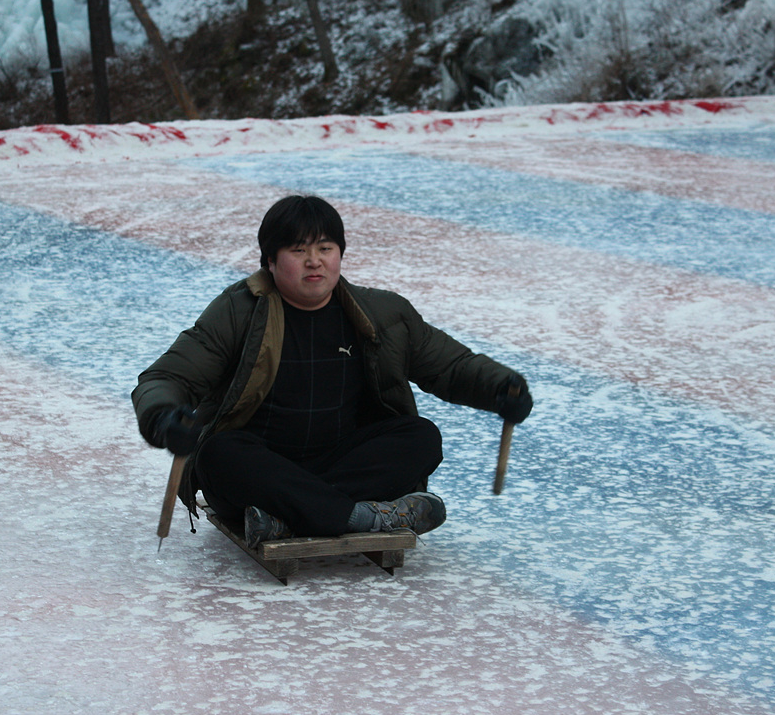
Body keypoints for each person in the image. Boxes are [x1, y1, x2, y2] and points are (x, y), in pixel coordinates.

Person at [133, 195, 532, 548]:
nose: (315, 261)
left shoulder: (381, 313)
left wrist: (500, 387)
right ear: (270, 260)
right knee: (218, 455)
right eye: (298, 250)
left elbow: (450, 365)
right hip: (263, 465)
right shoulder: (239, 311)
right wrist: (165, 419)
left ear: (340, 253)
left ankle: (288, 517)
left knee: (421, 438)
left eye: (325, 248)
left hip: (341, 462)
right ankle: (353, 516)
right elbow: (168, 378)